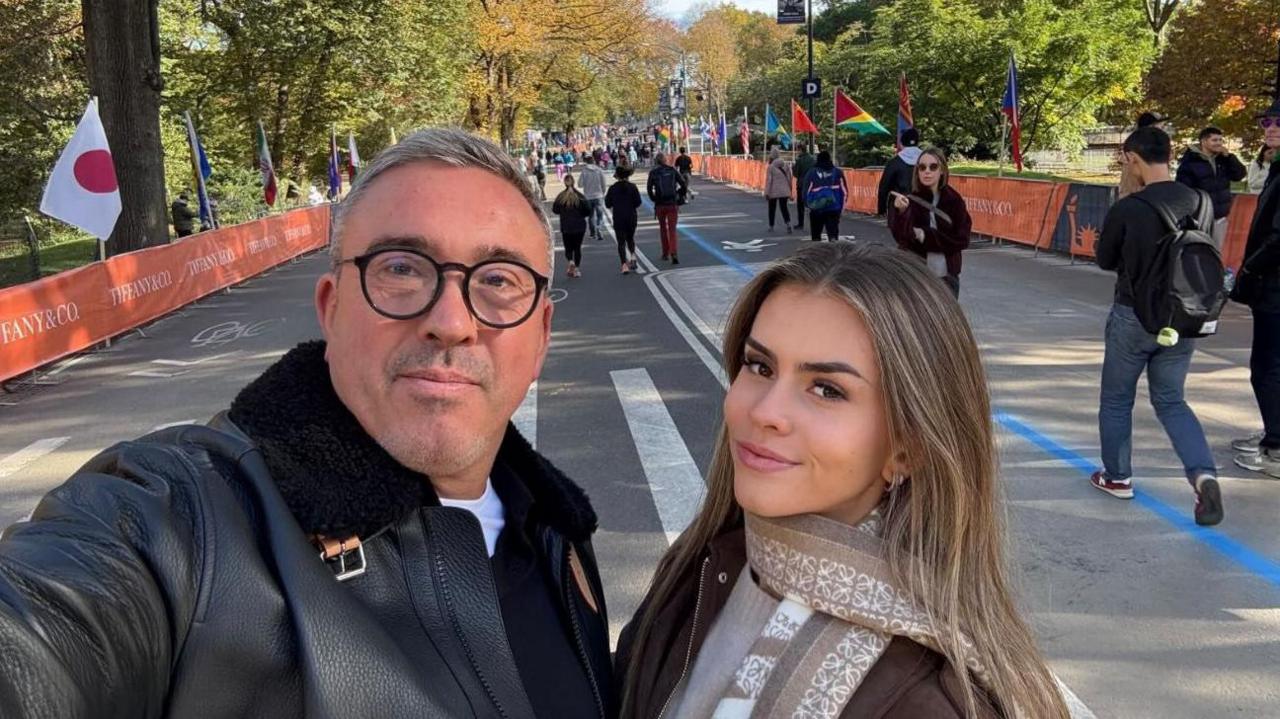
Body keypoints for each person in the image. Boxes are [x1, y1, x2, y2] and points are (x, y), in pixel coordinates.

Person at [0, 128, 613, 718]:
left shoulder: (559, 531)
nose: (452, 322)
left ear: (540, 338)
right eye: (401, 268)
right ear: (331, 307)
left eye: (499, 280)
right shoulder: (180, 518)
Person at [615, 243, 1072, 719]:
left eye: (827, 389)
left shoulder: (927, 702)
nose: (765, 411)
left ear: (907, 448)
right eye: (759, 367)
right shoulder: (706, 562)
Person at [1092, 126, 1223, 526]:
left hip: (1133, 316)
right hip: (1182, 317)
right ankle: (1202, 475)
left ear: (1133, 159)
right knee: (1171, 400)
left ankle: (1117, 477)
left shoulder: (1129, 208)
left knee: (1117, 400)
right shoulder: (1200, 200)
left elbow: (1105, 259)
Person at [1229, 100, 1280, 475]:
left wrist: (1249, 269)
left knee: (1267, 366)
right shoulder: (1273, 168)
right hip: (1270, 283)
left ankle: (1276, 447)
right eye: (1268, 121)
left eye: (1279, 122)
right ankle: (1273, 433)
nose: (1271, 128)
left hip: (1275, 286)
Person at [888, 148, 972, 297]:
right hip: (916, 276)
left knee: (946, 319)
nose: (927, 171)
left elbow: (962, 239)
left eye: (933, 167)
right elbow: (902, 237)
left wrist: (925, 236)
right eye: (922, 167)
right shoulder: (910, 199)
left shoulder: (954, 201)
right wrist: (902, 213)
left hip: (947, 276)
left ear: (942, 170)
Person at [1175, 126, 1247, 245]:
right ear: (1203, 141)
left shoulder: (1224, 159)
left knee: (1217, 251)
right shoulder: (1190, 162)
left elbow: (1239, 175)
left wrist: (1230, 157)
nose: (1219, 143)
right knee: (1200, 250)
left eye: (1220, 140)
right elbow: (1183, 189)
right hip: (1200, 217)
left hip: (1220, 215)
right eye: (1214, 140)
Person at [647, 152, 687, 264]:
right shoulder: (672, 170)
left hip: (660, 204)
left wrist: (654, 199)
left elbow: (649, 189)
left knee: (663, 228)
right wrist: (679, 194)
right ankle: (674, 252)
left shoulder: (653, 173)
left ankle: (665, 252)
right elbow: (683, 184)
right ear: (665, 160)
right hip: (672, 203)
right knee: (672, 229)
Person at [800, 150, 848, 243]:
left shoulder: (812, 172)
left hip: (816, 208)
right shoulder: (837, 172)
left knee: (816, 236)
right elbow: (845, 192)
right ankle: (834, 251)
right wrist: (841, 208)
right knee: (833, 236)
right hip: (834, 208)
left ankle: (816, 252)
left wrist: (807, 205)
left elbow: (805, 191)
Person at [1119, 111, 1169, 199]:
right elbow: (1128, 185)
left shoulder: (1151, 147)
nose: (1162, 129)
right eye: (1160, 126)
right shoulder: (1135, 149)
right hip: (1136, 202)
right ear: (1150, 128)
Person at [605, 163, 643, 274]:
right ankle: (633, 256)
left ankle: (624, 265)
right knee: (630, 238)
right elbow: (638, 202)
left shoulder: (613, 188)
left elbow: (607, 204)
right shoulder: (632, 187)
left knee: (621, 242)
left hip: (618, 217)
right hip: (631, 216)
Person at [877, 127, 922, 219]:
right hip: (922, 205)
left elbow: (884, 187)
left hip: (898, 205)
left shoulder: (894, 162)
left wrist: (881, 209)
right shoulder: (926, 160)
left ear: (901, 144)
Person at [553, 173, 591, 278]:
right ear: (574, 182)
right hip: (579, 226)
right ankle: (577, 269)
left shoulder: (561, 196)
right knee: (577, 248)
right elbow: (588, 210)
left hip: (566, 226)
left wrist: (563, 212)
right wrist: (580, 215)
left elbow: (555, 210)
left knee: (568, 247)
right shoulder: (580, 196)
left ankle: (570, 261)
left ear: (564, 183)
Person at [579, 154, 609, 241]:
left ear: (586, 162)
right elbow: (604, 183)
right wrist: (603, 192)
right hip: (598, 195)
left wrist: (586, 183)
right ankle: (599, 227)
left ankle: (592, 233)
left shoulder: (584, 171)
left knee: (591, 215)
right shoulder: (599, 170)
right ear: (594, 161)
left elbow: (580, 184)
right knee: (600, 215)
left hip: (588, 196)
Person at [763, 146, 793, 232]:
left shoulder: (771, 167)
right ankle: (788, 224)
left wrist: (767, 192)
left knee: (772, 208)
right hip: (784, 190)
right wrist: (790, 190)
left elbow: (769, 181)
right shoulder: (785, 165)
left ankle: (771, 225)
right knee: (784, 208)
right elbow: (789, 178)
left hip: (773, 191)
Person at [792, 143, 815, 230]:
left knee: (800, 205)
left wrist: (793, 168)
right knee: (812, 204)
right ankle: (814, 223)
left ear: (800, 149)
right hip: (812, 184)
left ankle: (801, 223)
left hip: (801, 184)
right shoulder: (812, 159)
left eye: (798, 150)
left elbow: (796, 173)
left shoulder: (800, 160)